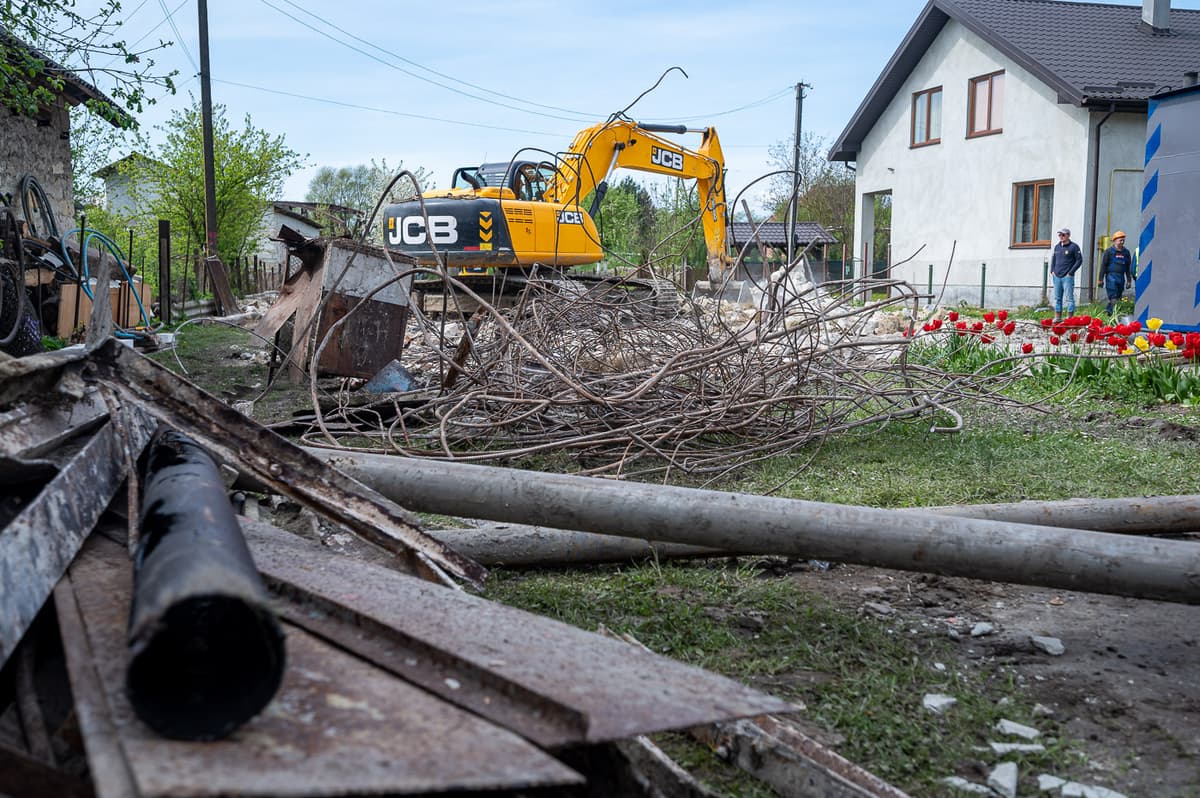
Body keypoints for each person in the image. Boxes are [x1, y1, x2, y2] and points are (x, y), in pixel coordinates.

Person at [1049, 227, 1083, 322]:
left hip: (1067, 277)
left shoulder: (1074, 247)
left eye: (1063, 235)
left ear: (1068, 235)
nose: (1061, 236)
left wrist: (1071, 272)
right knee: (1057, 298)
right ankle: (1058, 317)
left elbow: (1079, 260)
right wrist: (1052, 270)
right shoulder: (1057, 246)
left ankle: (1069, 318)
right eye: (1060, 235)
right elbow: (1054, 259)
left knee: (1069, 299)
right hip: (1057, 276)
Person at [1098, 231, 1135, 316]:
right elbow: (1103, 266)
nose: (1122, 242)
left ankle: (1108, 312)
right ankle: (1113, 314)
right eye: (1120, 240)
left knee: (1118, 296)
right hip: (1111, 276)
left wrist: (1129, 280)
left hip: (1121, 277)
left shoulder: (1126, 252)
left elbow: (1128, 267)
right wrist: (1100, 279)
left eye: (1123, 240)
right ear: (1115, 240)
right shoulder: (1109, 252)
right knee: (1113, 296)